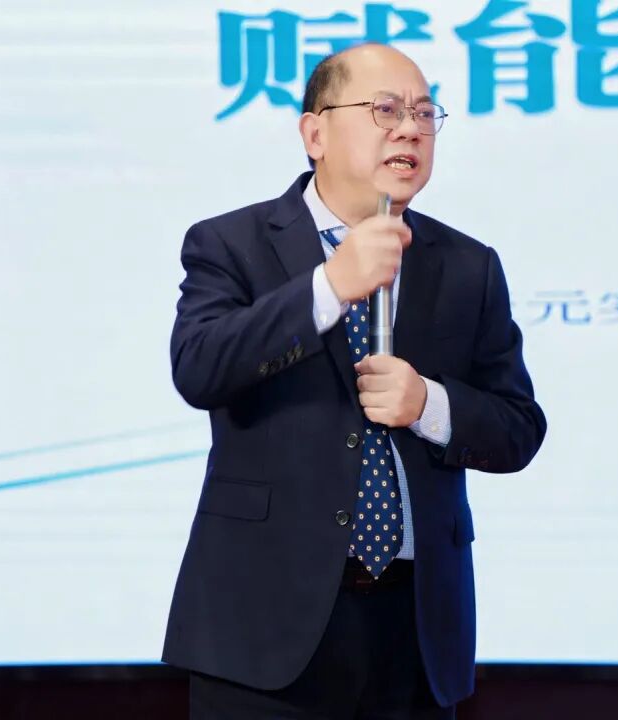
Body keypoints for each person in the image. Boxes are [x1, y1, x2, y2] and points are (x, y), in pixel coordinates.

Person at [163, 42, 547, 719]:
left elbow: (518, 429)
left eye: (425, 114)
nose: (410, 130)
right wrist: (329, 286)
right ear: (315, 133)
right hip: (264, 630)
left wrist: (429, 405)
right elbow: (200, 367)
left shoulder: (468, 265)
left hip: (414, 632)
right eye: (386, 110)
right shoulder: (230, 244)